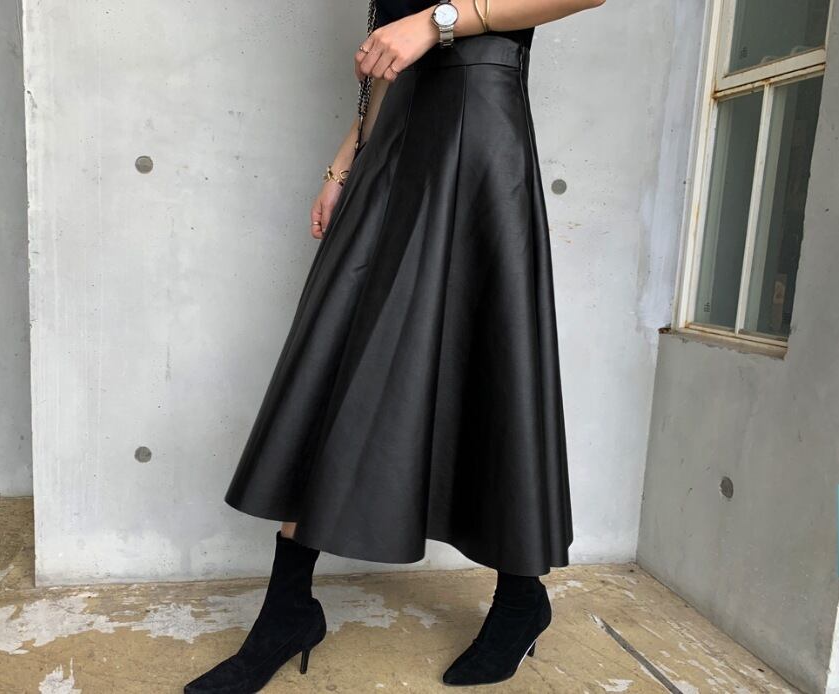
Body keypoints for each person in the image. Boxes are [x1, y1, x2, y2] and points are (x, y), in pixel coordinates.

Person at [185, 0, 604, 691]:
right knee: (336, 356)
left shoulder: (447, 28)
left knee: (490, 354)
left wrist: (440, 21)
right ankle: (288, 609)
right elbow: (388, 52)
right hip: (395, 142)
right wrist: (344, 163)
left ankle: (519, 598)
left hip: (476, 132)